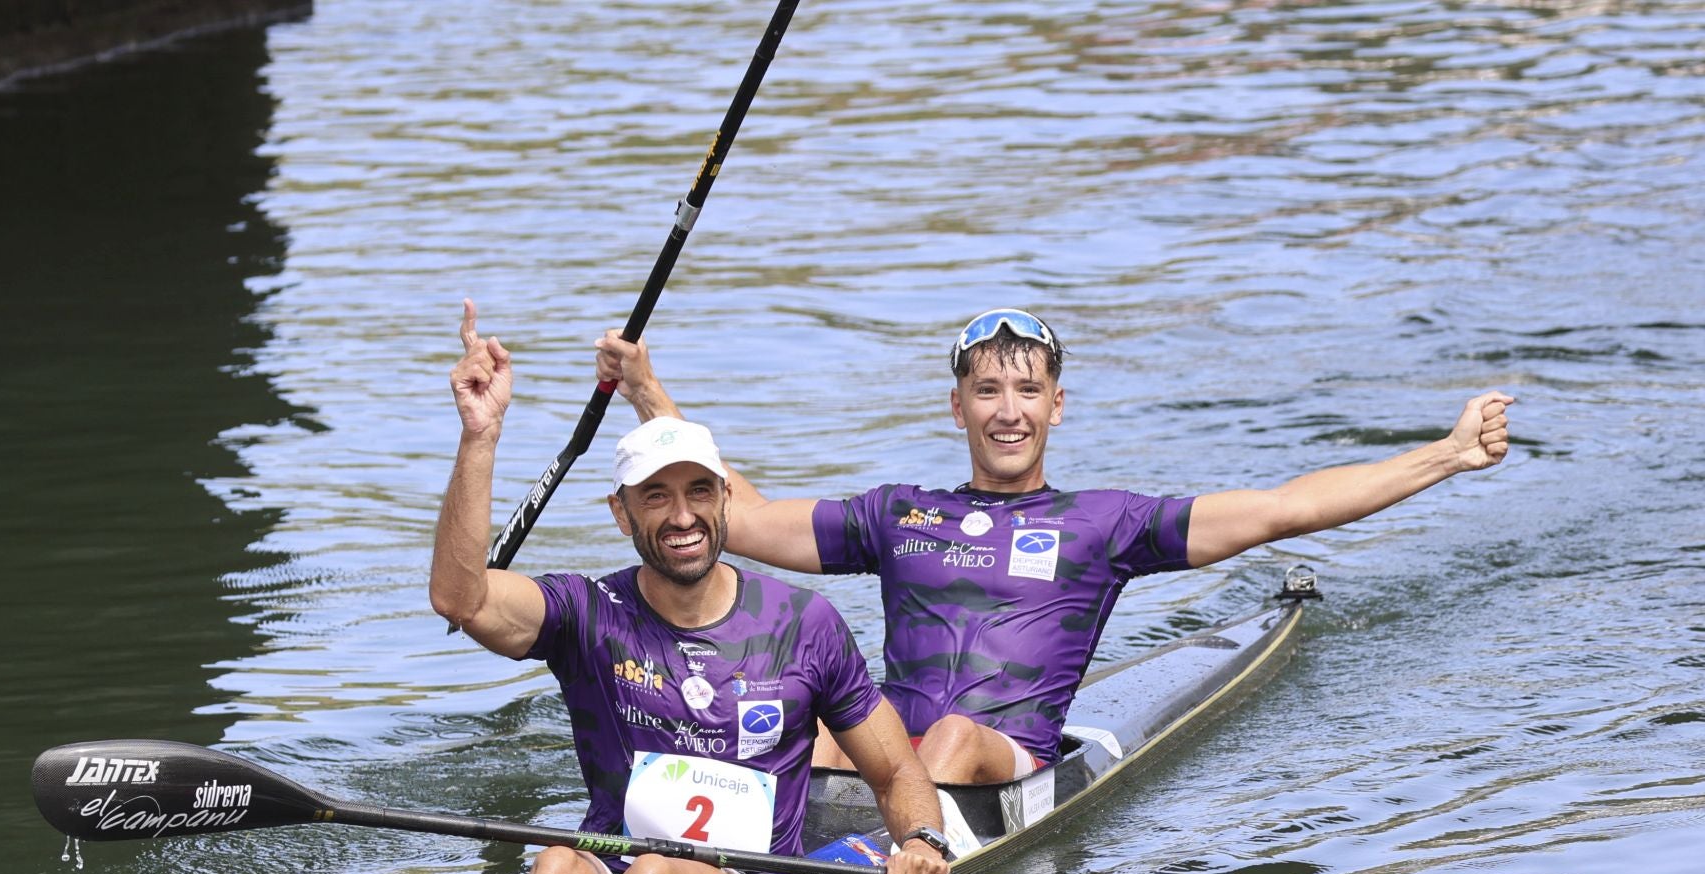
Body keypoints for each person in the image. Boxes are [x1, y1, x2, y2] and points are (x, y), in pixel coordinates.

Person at [594, 307, 1515, 784]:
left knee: (948, 735)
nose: (1007, 411)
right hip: (891, 754)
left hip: (1004, 761)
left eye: (1026, 391)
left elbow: (1282, 508)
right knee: (807, 727)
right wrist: (648, 394)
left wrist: (1445, 454)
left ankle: (851, 872)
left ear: (1055, 406)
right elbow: (737, 517)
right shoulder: (897, 515)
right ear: (957, 408)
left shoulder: (1104, 525)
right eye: (988, 392)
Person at [431, 300, 952, 874]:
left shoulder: (804, 625)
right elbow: (460, 598)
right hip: (612, 864)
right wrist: (479, 436)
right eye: (656, 496)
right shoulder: (587, 612)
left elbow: (895, 773)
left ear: (725, 499)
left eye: (699, 491)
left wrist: (922, 841)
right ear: (621, 512)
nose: (683, 517)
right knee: (555, 864)